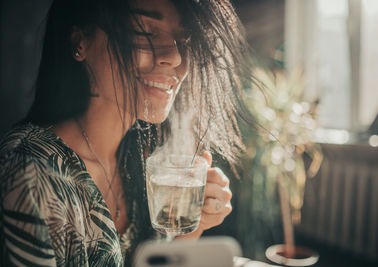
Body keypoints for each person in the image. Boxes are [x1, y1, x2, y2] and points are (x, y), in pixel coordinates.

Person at [0, 0, 255, 265]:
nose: (176, 56)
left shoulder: (144, 159)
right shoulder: (29, 172)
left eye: (185, 38)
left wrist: (191, 231)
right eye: (143, 32)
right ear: (80, 42)